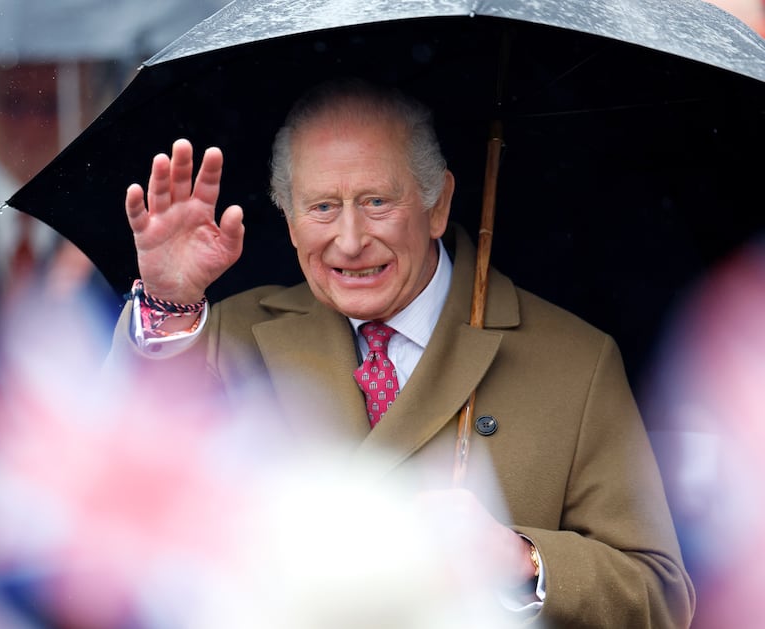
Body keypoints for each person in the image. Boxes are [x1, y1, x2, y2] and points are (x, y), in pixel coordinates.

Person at [108, 80, 694, 627]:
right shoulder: (223, 337)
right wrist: (169, 301)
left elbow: (660, 595)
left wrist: (522, 560)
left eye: (377, 201)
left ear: (438, 205)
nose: (351, 239)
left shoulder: (574, 363)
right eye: (321, 207)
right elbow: (113, 488)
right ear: (287, 222)